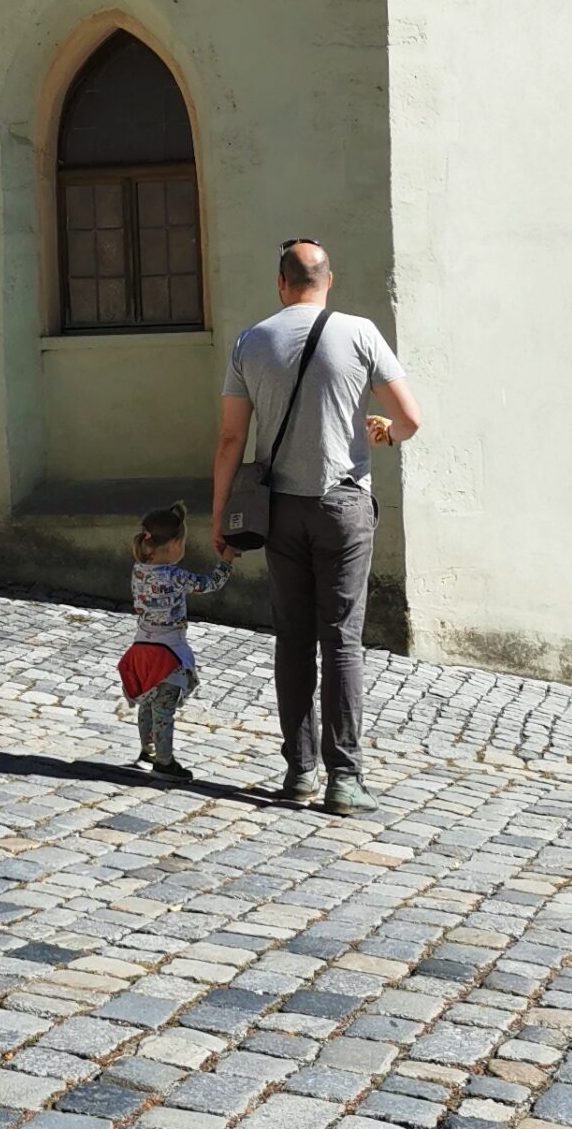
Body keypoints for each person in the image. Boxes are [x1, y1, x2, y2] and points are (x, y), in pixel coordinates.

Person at [211, 239, 421, 815]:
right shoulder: (359, 333)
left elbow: (231, 438)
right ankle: (345, 780)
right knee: (342, 642)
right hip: (343, 506)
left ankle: (300, 771)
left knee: (294, 640)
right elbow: (409, 419)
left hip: (280, 510)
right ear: (330, 281)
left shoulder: (251, 341)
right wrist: (382, 430)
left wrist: (220, 515)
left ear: (281, 284)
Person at [119, 500, 228, 781]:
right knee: (164, 709)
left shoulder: (138, 570)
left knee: (147, 702)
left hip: (141, 646)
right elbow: (208, 584)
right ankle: (164, 762)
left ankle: (147, 752)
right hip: (168, 651)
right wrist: (226, 560)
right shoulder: (175, 575)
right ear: (176, 544)